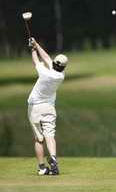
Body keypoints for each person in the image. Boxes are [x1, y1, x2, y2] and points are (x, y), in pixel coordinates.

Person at [27, 37, 68, 175]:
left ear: (55, 64)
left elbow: (37, 61)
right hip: (49, 107)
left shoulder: (45, 73)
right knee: (50, 135)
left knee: (39, 139)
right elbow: (46, 58)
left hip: (35, 108)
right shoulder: (61, 75)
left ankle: (41, 167)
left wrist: (33, 49)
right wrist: (36, 44)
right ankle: (54, 159)